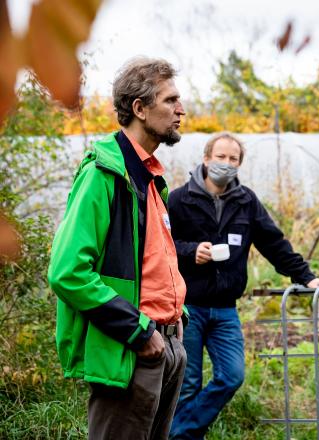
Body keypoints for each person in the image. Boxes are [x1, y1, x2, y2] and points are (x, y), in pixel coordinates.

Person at [48, 57, 188, 439]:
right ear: (140, 109)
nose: (181, 109)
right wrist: (140, 333)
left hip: (167, 346)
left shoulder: (150, 178)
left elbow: (155, 267)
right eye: (170, 100)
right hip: (131, 351)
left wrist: (177, 321)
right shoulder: (102, 175)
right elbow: (67, 272)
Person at [168, 132, 319, 439]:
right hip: (190, 307)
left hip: (225, 309)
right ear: (206, 158)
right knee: (188, 383)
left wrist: (306, 276)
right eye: (220, 157)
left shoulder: (246, 201)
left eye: (233, 159)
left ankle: (176, 433)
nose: (226, 164)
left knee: (232, 375)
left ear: (240, 164)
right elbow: (160, 245)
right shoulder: (179, 199)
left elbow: (274, 243)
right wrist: (190, 251)